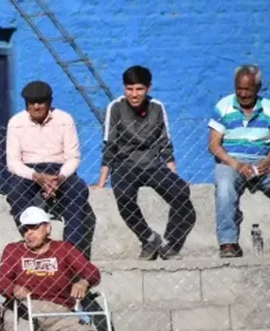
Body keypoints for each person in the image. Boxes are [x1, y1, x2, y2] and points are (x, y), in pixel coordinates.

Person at [95, 66, 195, 260]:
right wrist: (101, 182)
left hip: (152, 165)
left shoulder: (157, 107)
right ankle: (149, 238)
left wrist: (174, 175)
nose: (134, 94)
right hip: (125, 166)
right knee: (123, 195)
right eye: (130, 89)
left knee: (181, 191)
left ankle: (170, 246)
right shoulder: (115, 107)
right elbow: (109, 146)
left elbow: (165, 144)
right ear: (124, 88)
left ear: (148, 88)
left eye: (139, 89)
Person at [6, 80, 96, 258]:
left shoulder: (64, 119)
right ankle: (34, 243)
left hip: (59, 169)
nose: (37, 107)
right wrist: (37, 177)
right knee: (15, 195)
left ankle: (70, 254)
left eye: (41, 102)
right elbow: (13, 163)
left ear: (50, 102)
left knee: (78, 192)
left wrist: (60, 178)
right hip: (29, 171)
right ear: (26, 104)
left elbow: (73, 157)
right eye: (32, 103)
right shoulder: (16, 122)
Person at [0, 206, 102, 331]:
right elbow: (2, 282)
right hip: (24, 310)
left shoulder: (63, 249)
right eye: (25, 229)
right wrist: (14, 288)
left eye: (34, 227)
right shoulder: (13, 250)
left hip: (59, 313)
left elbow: (93, 272)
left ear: (47, 228)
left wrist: (84, 282)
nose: (29, 233)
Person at [208, 65, 270, 258]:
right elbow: (214, 145)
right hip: (232, 162)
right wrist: (236, 165)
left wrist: (268, 161)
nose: (243, 94)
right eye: (239, 89)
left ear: (257, 89)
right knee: (225, 185)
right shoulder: (224, 106)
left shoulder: (268, 109)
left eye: (247, 90)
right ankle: (228, 243)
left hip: (263, 161)